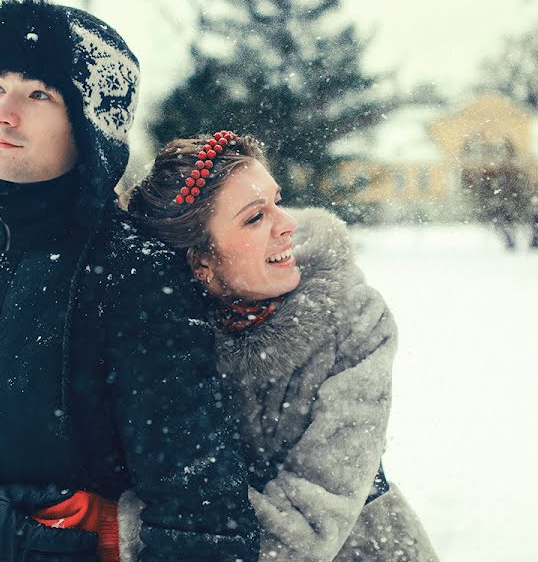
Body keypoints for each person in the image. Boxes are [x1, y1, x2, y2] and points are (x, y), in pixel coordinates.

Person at [0, 0, 258, 562]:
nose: (2, 113)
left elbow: (203, 519)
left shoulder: (138, 276)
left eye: (37, 94)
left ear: (93, 131)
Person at [110, 132, 439, 561]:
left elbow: (310, 524)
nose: (286, 224)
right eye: (254, 218)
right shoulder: (164, 340)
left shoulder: (354, 321)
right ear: (201, 262)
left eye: (276, 201)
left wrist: (127, 532)